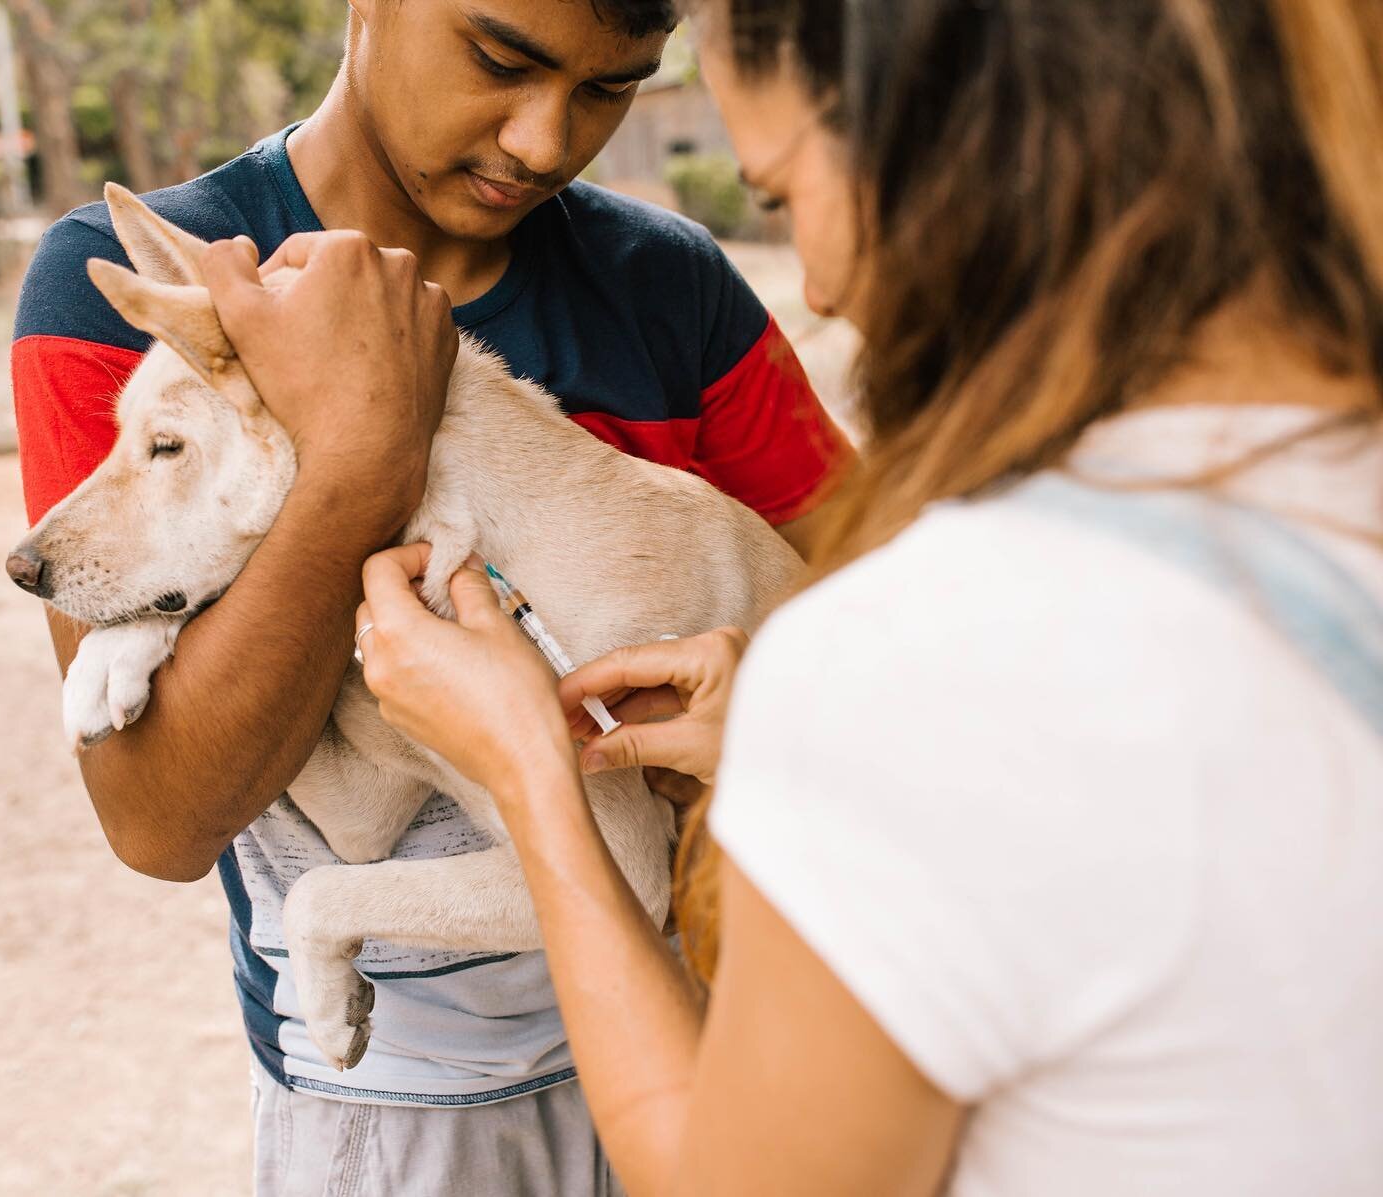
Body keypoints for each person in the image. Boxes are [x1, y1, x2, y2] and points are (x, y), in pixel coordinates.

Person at [347, 0, 1383, 1193]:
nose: (824, 288)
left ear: (953, 150)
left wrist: (534, 773)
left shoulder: (916, 652)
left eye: (787, 197)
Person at [10, 0, 853, 1190]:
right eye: (499, 58)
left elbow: (895, 595)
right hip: (402, 1112)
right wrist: (361, 462)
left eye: (611, 87)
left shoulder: (670, 288)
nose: (544, 142)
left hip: (730, 1054)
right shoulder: (113, 307)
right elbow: (158, 819)